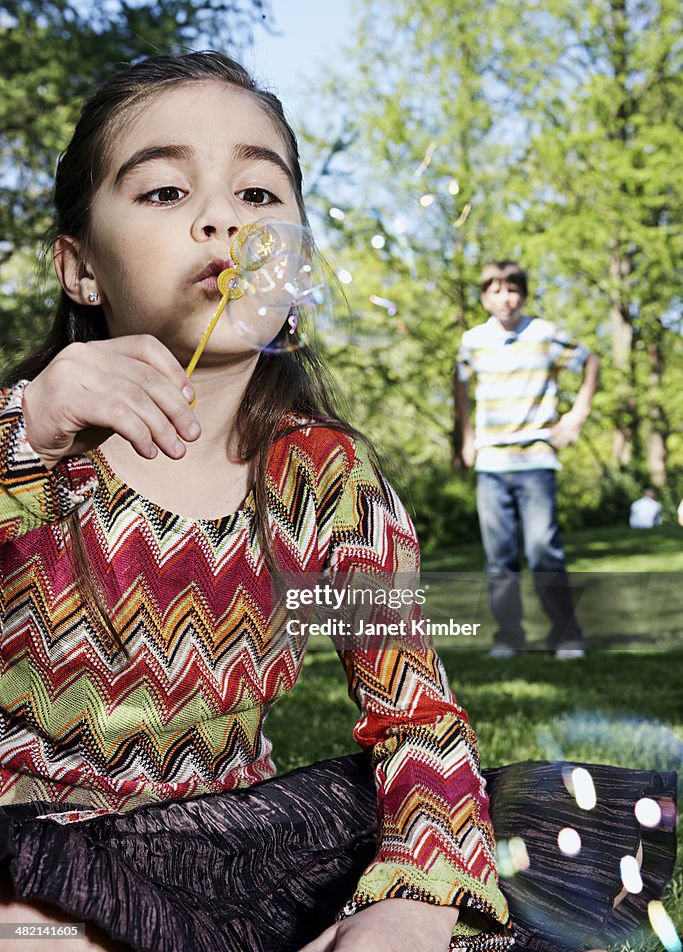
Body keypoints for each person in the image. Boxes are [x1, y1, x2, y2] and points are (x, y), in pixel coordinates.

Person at [0, 56, 675, 952]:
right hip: (32, 838)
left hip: (226, 849)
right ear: (80, 269)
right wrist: (28, 433)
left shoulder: (323, 477)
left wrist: (411, 902)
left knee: (469, 824)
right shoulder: (34, 441)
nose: (223, 219)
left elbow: (413, 713)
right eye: (165, 191)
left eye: (258, 192)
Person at [454, 262, 600, 660]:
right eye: (496, 291)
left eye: (513, 290)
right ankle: (508, 637)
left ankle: (567, 636)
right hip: (492, 463)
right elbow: (461, 383)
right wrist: (467, 437)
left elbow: (590, 361)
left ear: (524, 294)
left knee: (543, 550)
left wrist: (577, 415)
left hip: (536, 459)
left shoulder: (544, 334)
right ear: (485, 297)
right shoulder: (473, 341)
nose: (506, 298)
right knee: (499, 557)